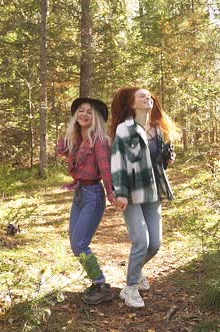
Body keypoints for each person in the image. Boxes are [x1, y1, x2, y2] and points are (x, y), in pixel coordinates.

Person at [109, 87, 179, 308]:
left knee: (155, 244)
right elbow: (118, 162)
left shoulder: (156, 130)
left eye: (149, 95)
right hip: (130, 192)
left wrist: (167, 160)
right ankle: (129, 288)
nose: (147, 97)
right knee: (141, 241)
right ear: (132, 104)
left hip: (153, 191)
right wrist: (119, 192)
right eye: (142, 96)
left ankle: (136, 271)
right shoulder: (124, 129)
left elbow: (154, 162)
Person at [57, 97, 116, 305]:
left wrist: (111, 193)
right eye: (80, 111)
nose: (84, 115)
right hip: (80, 193)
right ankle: (96, 282)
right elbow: (61, 150)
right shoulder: (77, 137)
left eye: (89, 112)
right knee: (75, 244)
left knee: (81, 243)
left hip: (93, 194)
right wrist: (70, 130)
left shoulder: (98, 140)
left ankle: (101, 285)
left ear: (96, 117)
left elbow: (105, 168)